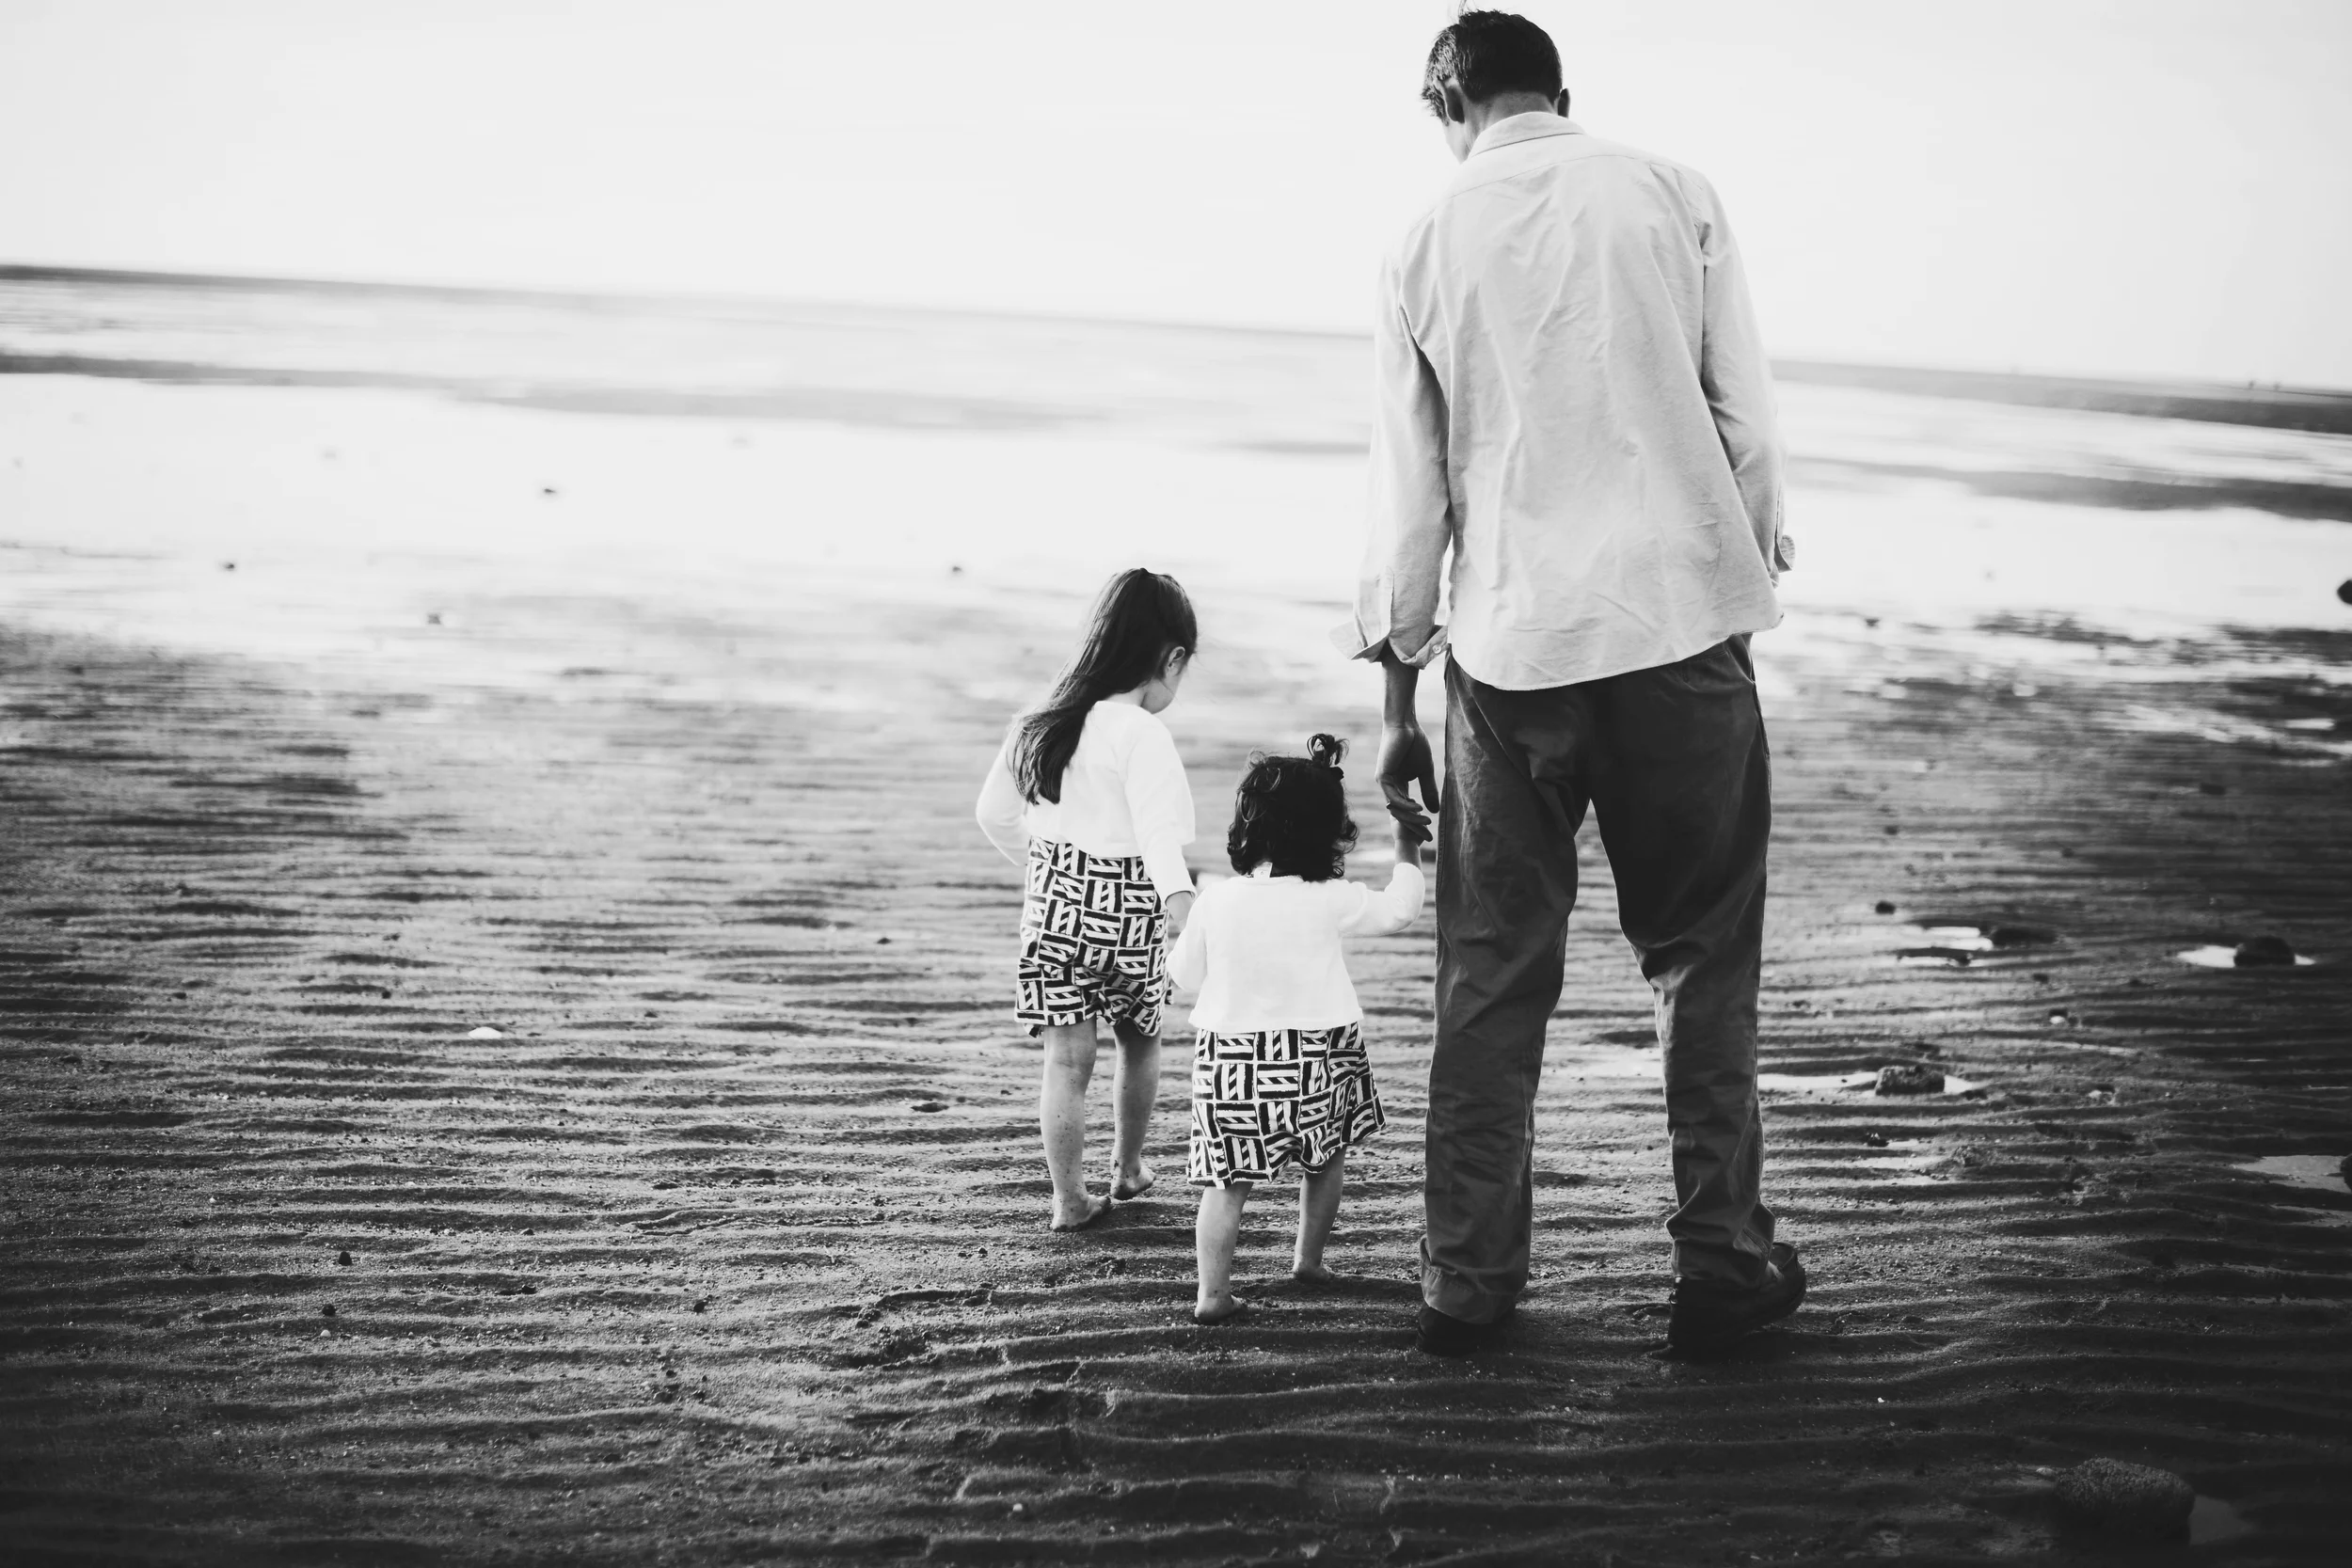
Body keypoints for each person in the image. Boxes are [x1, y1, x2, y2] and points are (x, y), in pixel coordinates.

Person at [1337, 11, 1806, 1356]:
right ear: (1560, 90)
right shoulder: (1674, 191)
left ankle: (1468, 1281)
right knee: (1701, 957)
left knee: (1490, 976)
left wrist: (1394, 702)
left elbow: (1410, 499)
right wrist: (1736, 590)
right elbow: (1747, 423)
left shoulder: (1424, 237)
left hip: (1511, 656)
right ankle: (1721, 1264)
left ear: (1446, 106)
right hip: (1680, 627)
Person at [1168, 736, 1423, 1324]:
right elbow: (1401, 909)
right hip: (1319, 1053)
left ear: (1246, 829)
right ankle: (1308, 1261)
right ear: (1329, 835)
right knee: (1326, 1158)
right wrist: (1406, 842)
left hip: (1233, 1061)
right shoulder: (1329, 897)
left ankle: (1212, 1295)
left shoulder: (1217, 900)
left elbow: (1182, 976)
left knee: (1226, 1183)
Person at [977, 568, 1200, 1231]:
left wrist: (1046, 869)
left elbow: (993, 814)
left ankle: (1069, 1200)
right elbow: (1159, 837)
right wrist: (1182, 906)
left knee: (1066, 1061)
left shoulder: (1041, 721)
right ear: (1171, 659)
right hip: (1126, 913)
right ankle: (1127, 1168)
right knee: (1140, 1041)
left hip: (1054, 909)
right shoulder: (1141, 732)